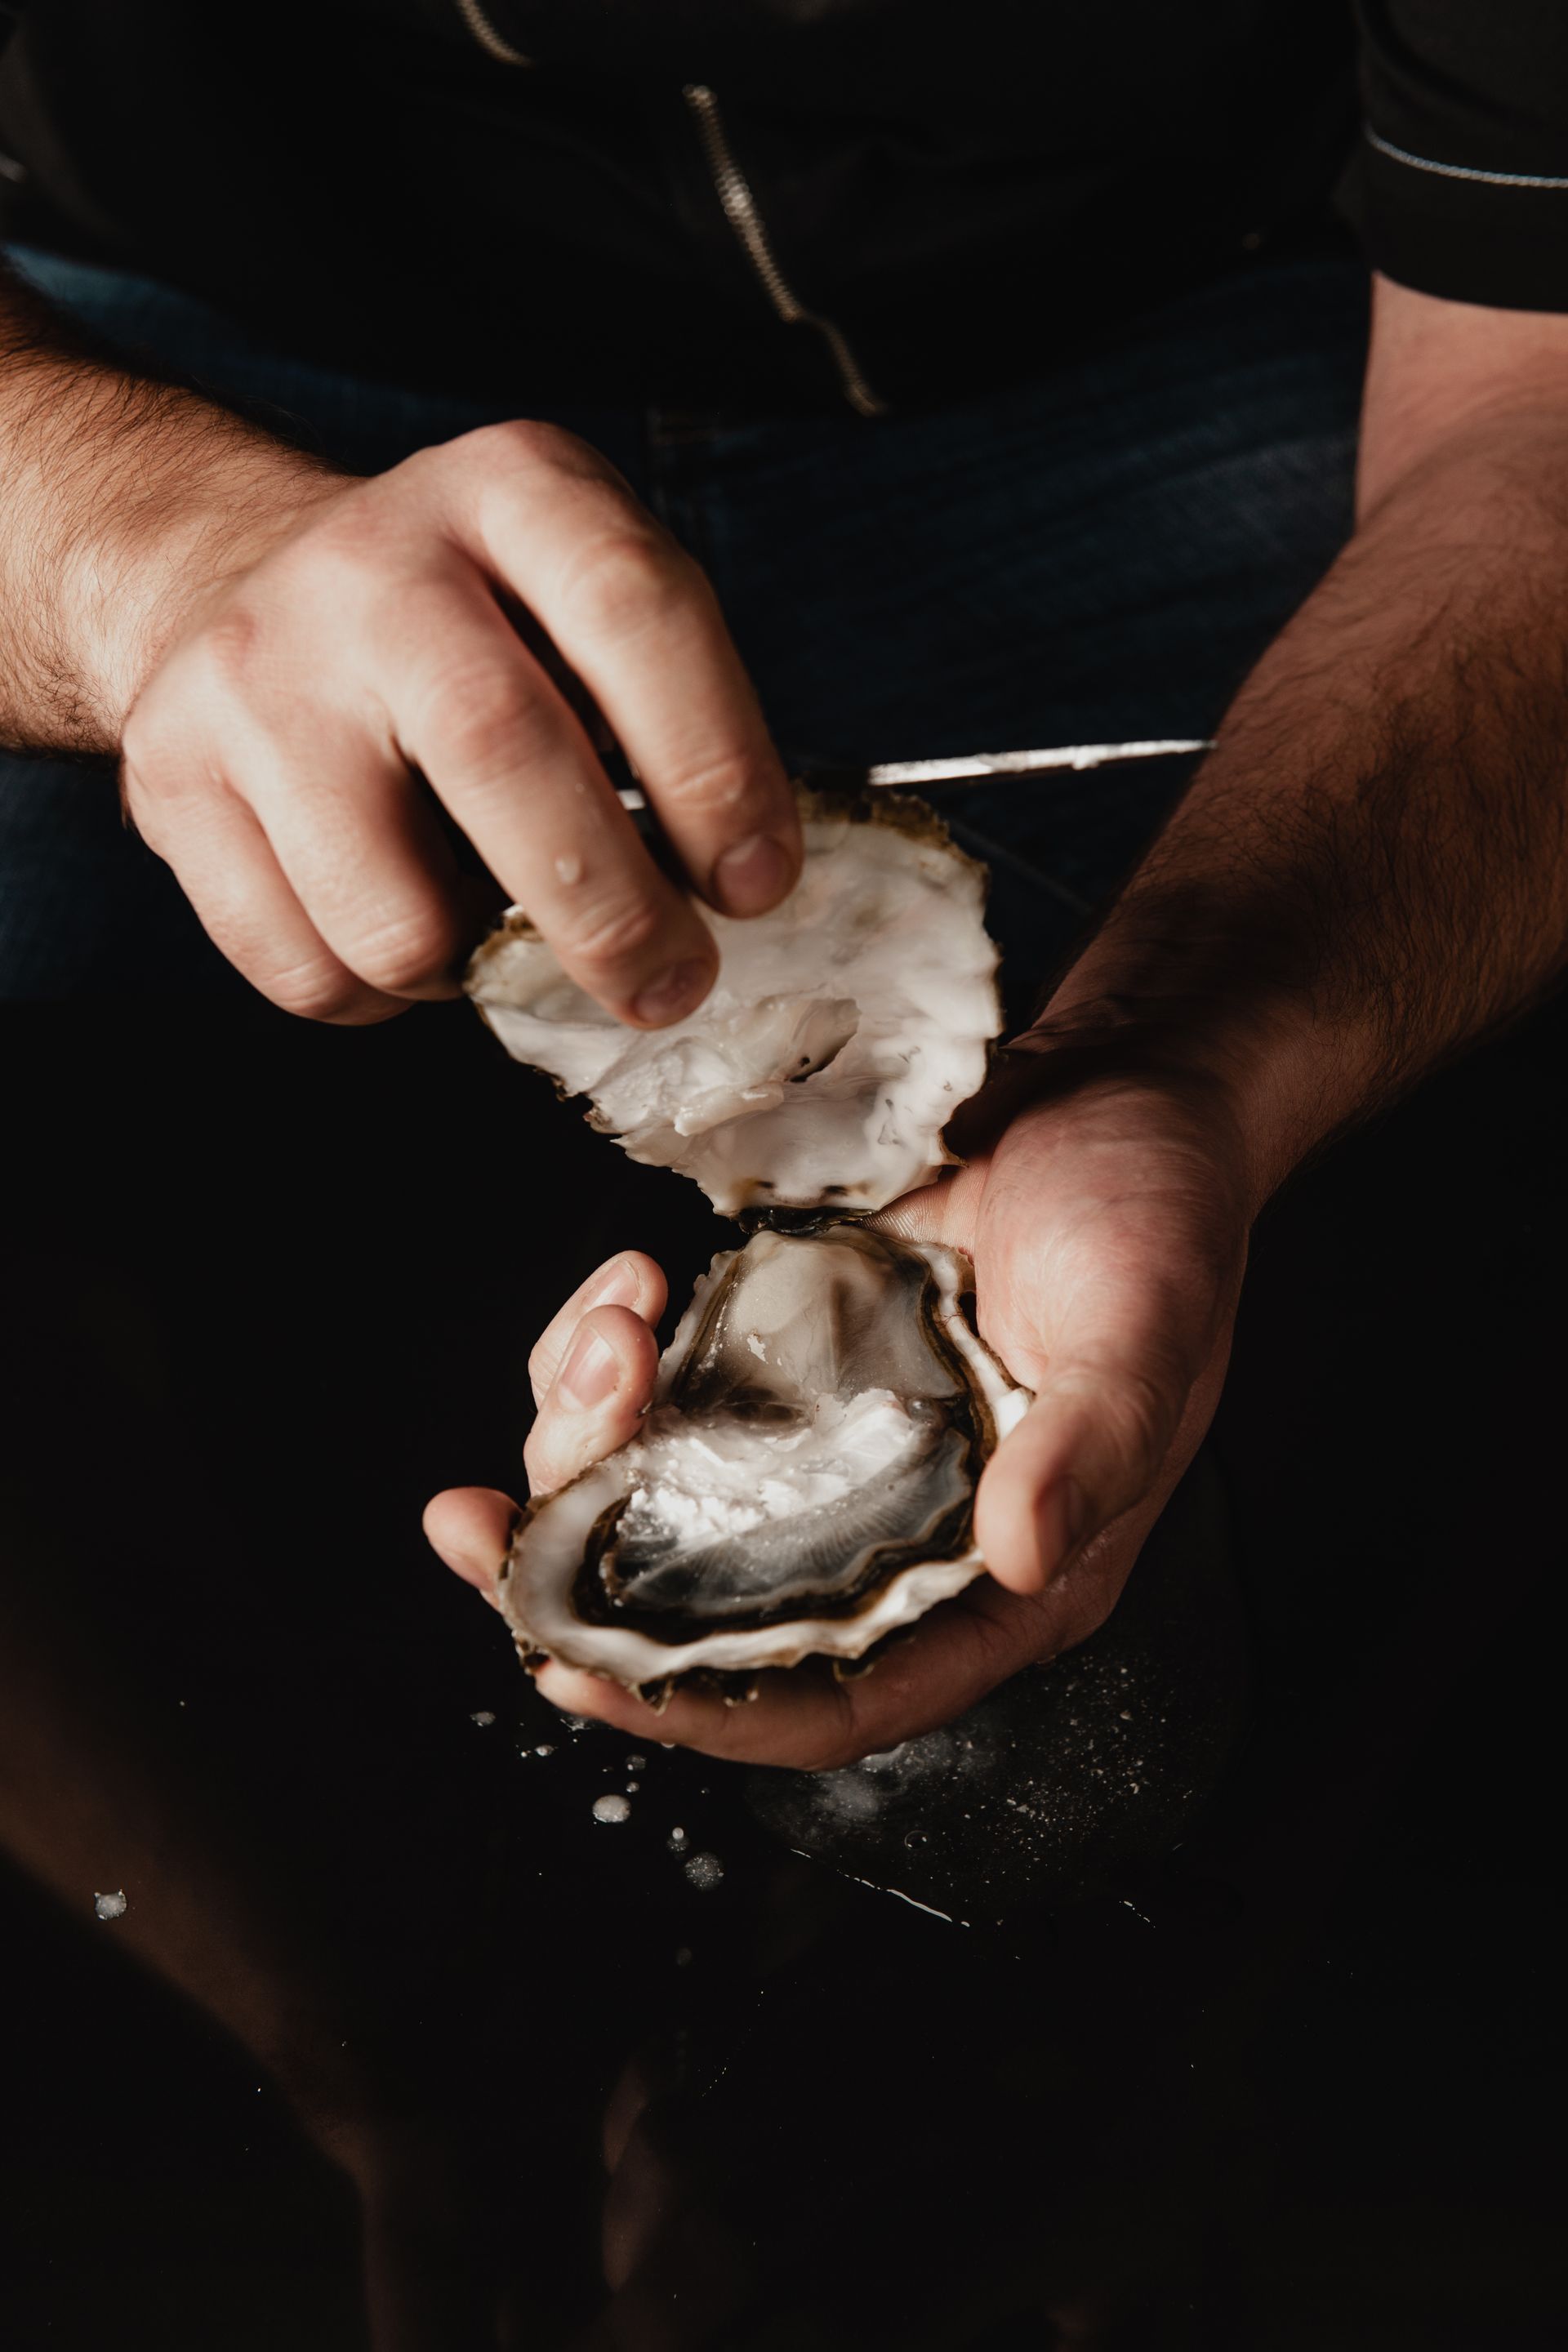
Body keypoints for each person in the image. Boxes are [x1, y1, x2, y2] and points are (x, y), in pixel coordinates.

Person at [4, 4, 1568, 1773]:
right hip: (155, 360)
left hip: (1145, 330)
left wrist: (1180, 1061)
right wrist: (142, 559)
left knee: (1429, 1303)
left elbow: (1541, 395)